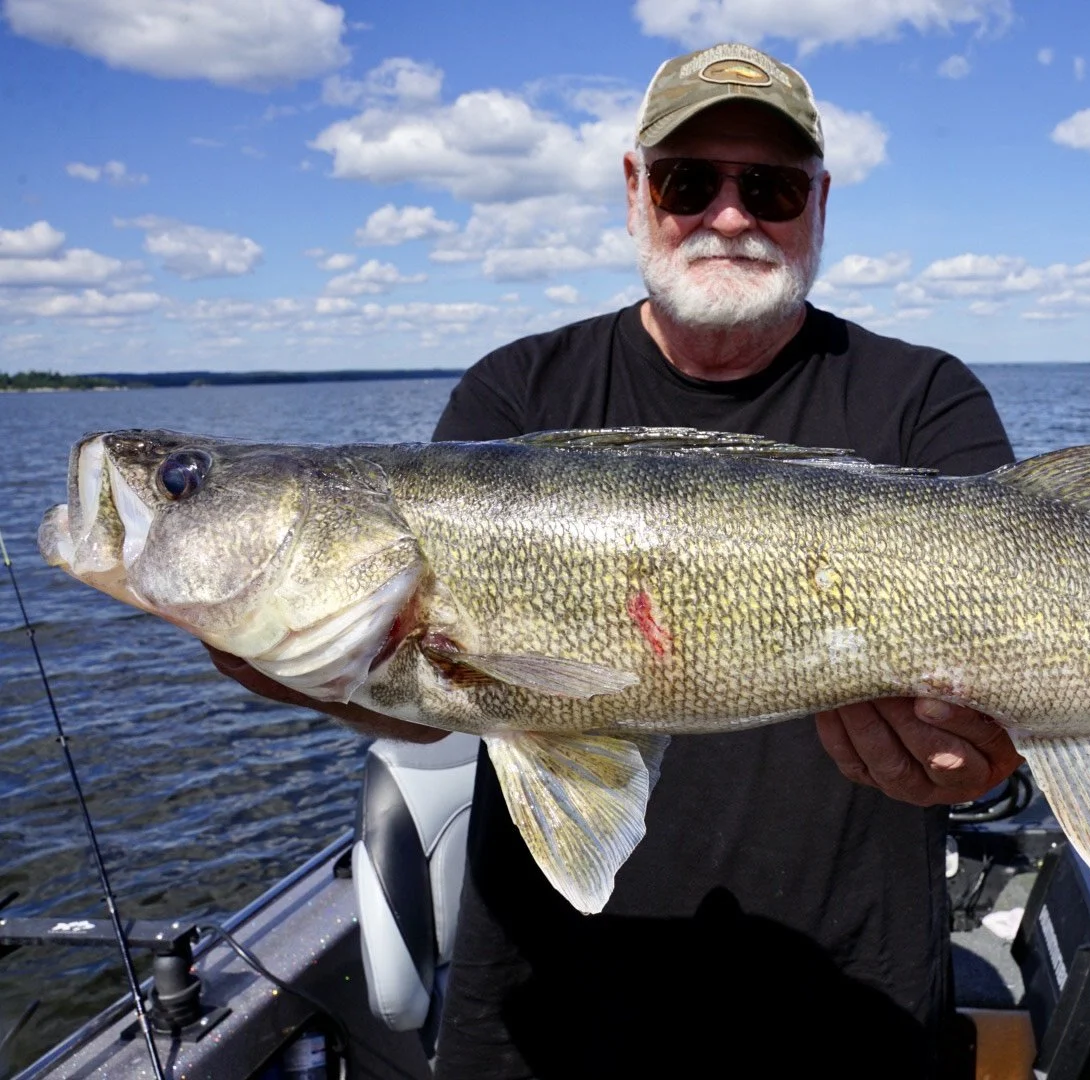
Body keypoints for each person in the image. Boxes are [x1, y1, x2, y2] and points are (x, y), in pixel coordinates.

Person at [213, 41, 1023, 1078]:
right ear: (636, 189)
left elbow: (1003, 703)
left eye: (769, 187)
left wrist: (979, 762)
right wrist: (314, 667)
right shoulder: (514, 394)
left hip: (841, 1002)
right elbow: (432, 690)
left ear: (818, 202)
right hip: (555, 1007)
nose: (729, 215)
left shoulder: (922, 400)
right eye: (691, 180)